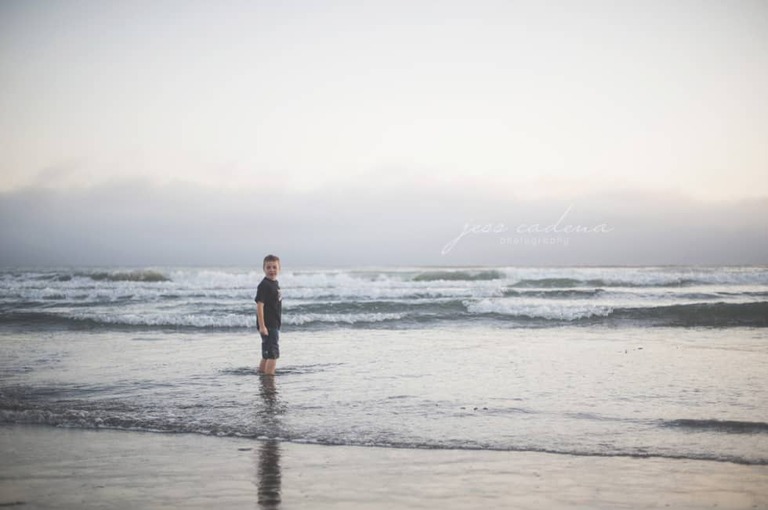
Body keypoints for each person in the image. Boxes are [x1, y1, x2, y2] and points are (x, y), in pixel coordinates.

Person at [255, 254, 282, 376]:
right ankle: (269, 379)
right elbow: (259, 305)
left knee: (266, 353)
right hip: (268, 325)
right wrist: (262, 326)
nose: (272, 270)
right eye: (268, 267)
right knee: (273, 354)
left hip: (272, 324)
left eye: (274, 267)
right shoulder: (264, 285)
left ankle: (262, 376)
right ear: (264, 269)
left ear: (279, 268)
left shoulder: (274, 283)